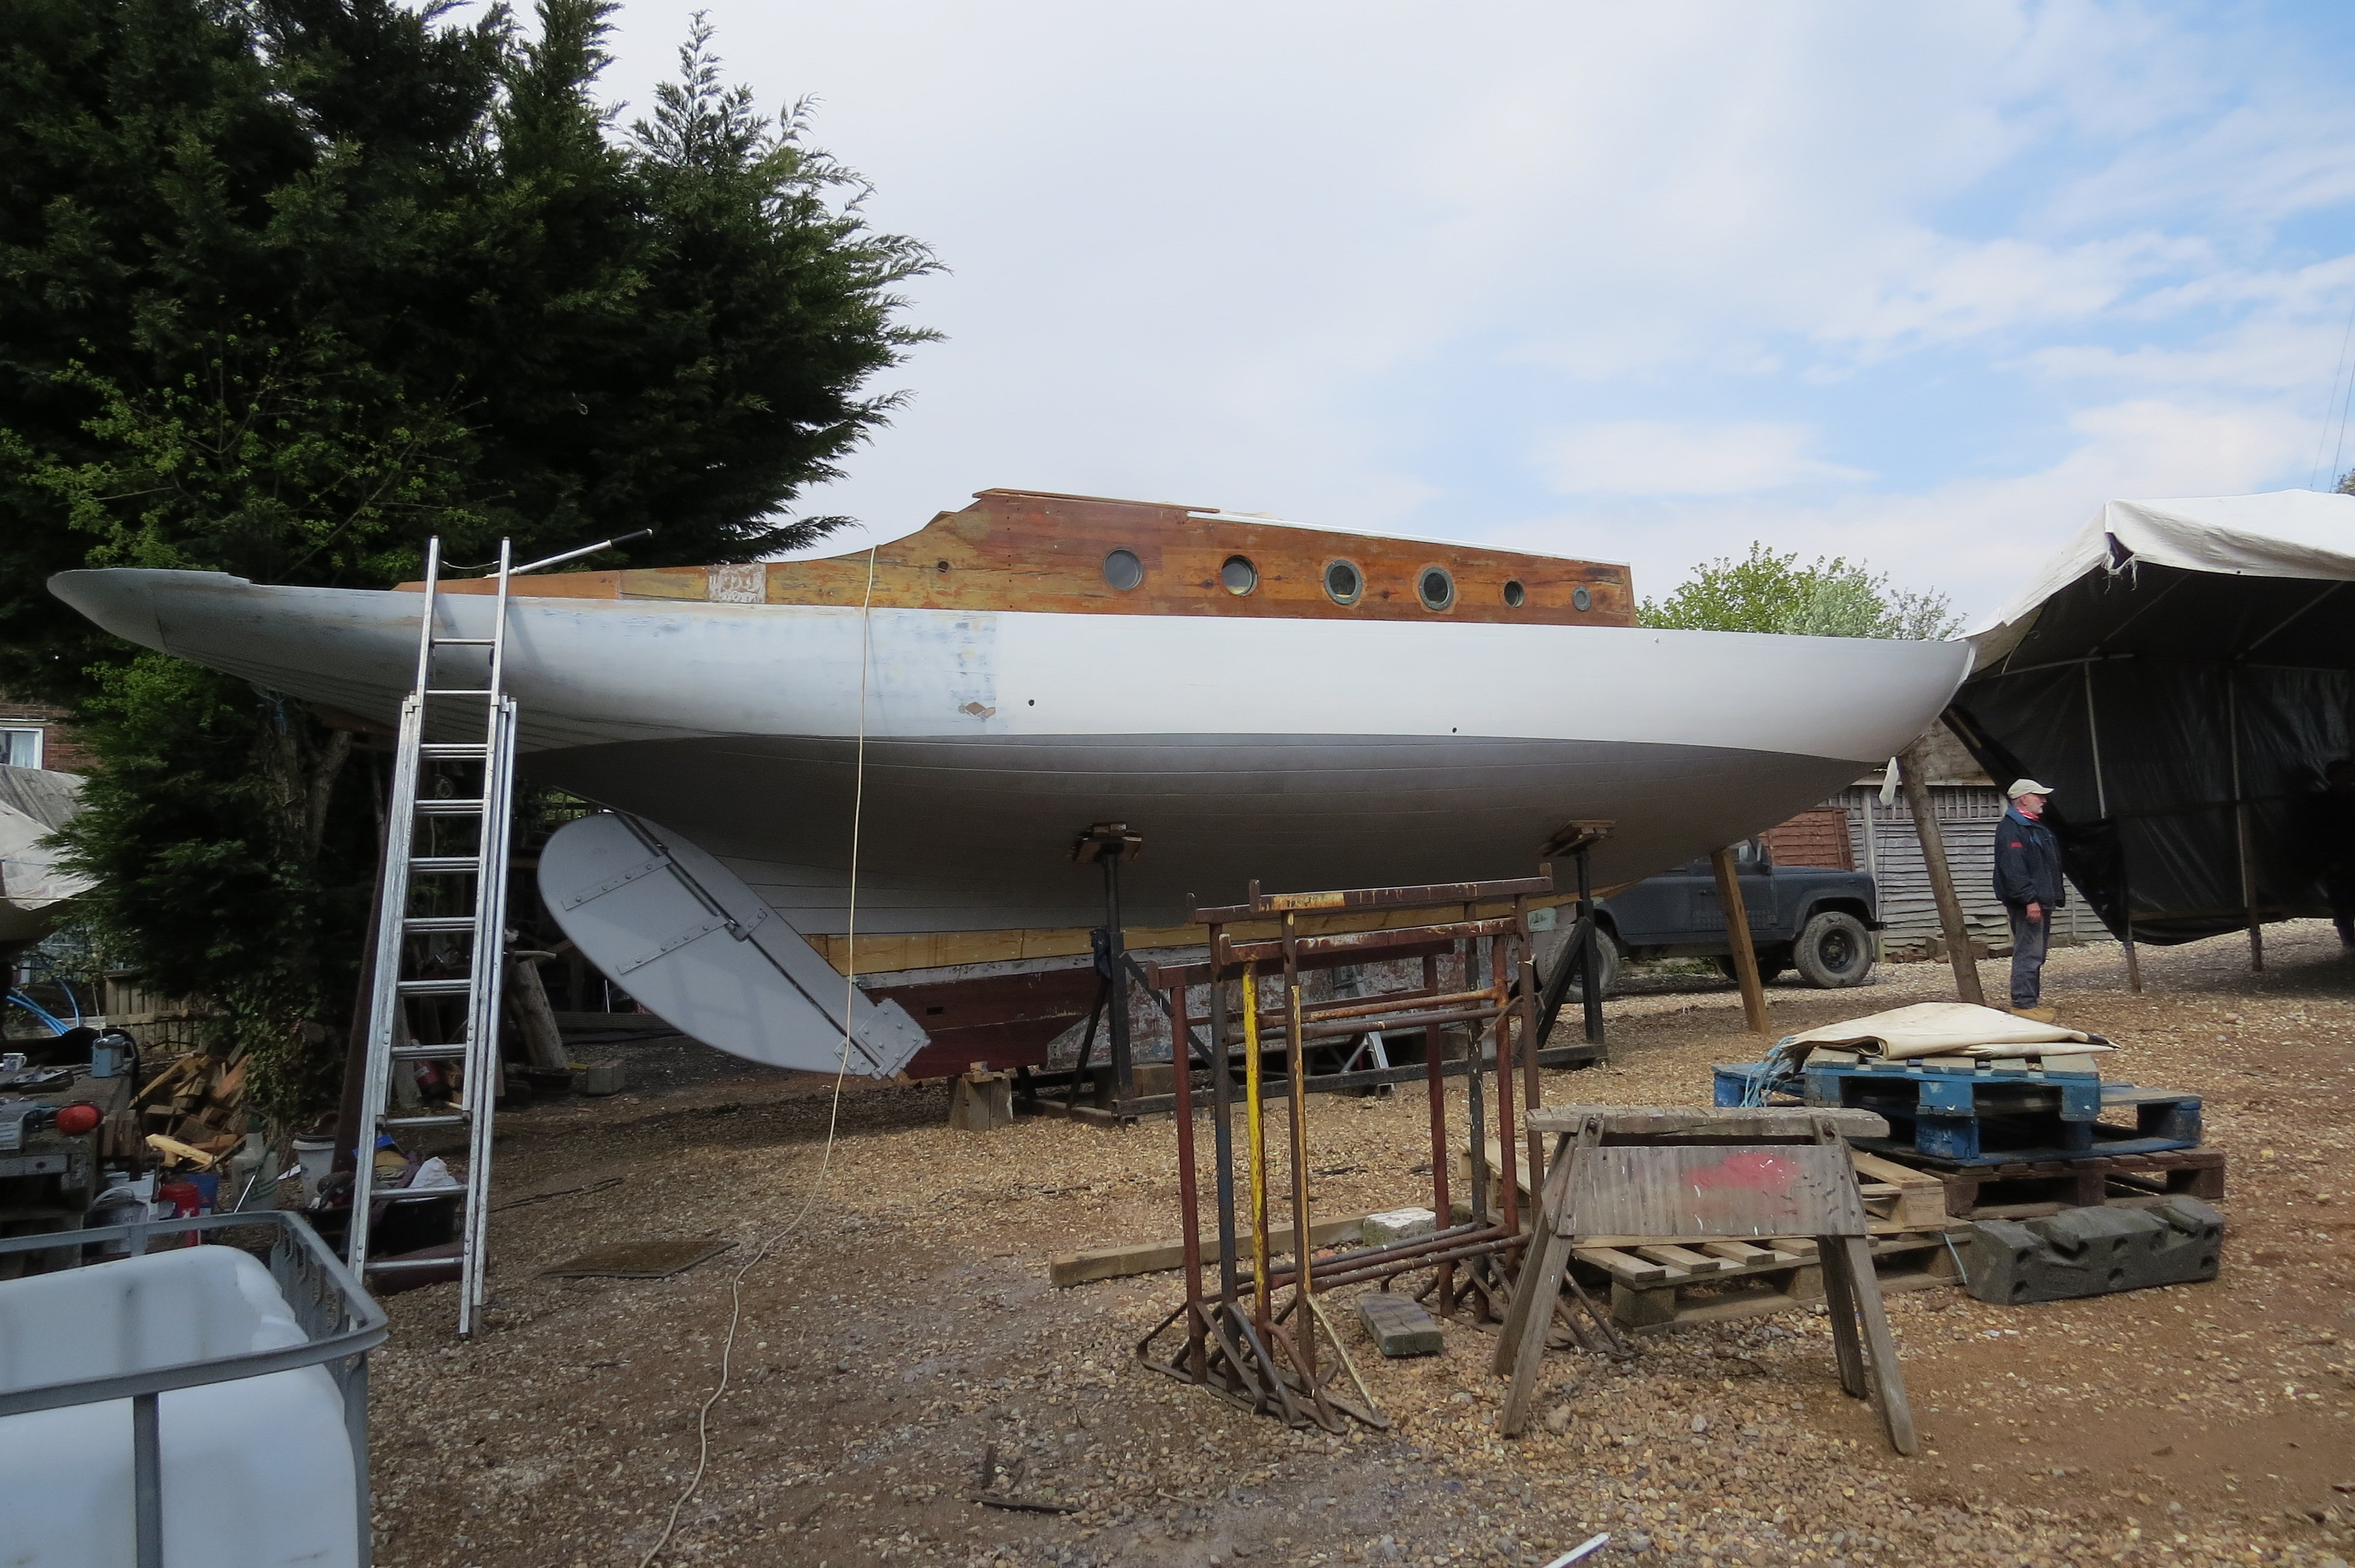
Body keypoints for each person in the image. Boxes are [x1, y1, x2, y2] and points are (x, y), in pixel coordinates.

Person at [1992, 778, 2065, 1019]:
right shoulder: (2013, 828)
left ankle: (2030, 1002)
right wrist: (2029, 900)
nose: (2044, 801)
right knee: (2029, 953)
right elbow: (2014, 870)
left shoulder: (2031, 826)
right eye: (2039, 796)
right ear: (2024, 798)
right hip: (2028, 904)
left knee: (2036, 953)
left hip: (2038, 901)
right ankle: (2024, 1006)